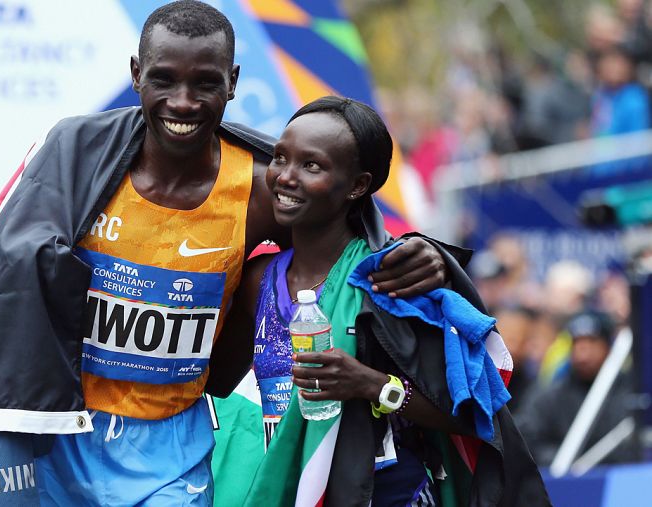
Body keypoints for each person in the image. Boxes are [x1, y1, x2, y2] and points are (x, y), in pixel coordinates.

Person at [0, 2, 466, 505]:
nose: (184, 103)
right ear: (137, 75)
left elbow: (346, 243)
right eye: (164, 80)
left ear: (232, 81)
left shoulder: (262, 189)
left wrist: (427, 259)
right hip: (59, 436)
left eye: (206, 83)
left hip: (171, 449)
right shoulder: (78, 162)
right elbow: (0, 275)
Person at [218, 97, 547, 505]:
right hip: (294, 490)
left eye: (312, 166)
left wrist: (370, 385)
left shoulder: (389, 277)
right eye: (281, 158)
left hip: (386, 493)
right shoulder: (258, 279)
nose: (286, 176)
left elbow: (471, 414)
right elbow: (214, 382)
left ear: (358, 185)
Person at [517, 310, 637, 466]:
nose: (583, 354)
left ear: (608, 347)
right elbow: (527, 440)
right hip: (566, 483)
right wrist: (562, 462)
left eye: (592, 342)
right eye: (577, 343)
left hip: (620, 480)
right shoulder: (550, 396)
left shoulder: (631, 392)